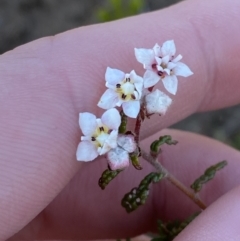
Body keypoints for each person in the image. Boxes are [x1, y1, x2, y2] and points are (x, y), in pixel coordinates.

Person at [1, 0, 240, 240]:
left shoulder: (136, 94)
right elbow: (119, 113)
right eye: (161, 65)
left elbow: (128, 107)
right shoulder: (120, 107)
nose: (162, 66)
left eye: (165, 65)